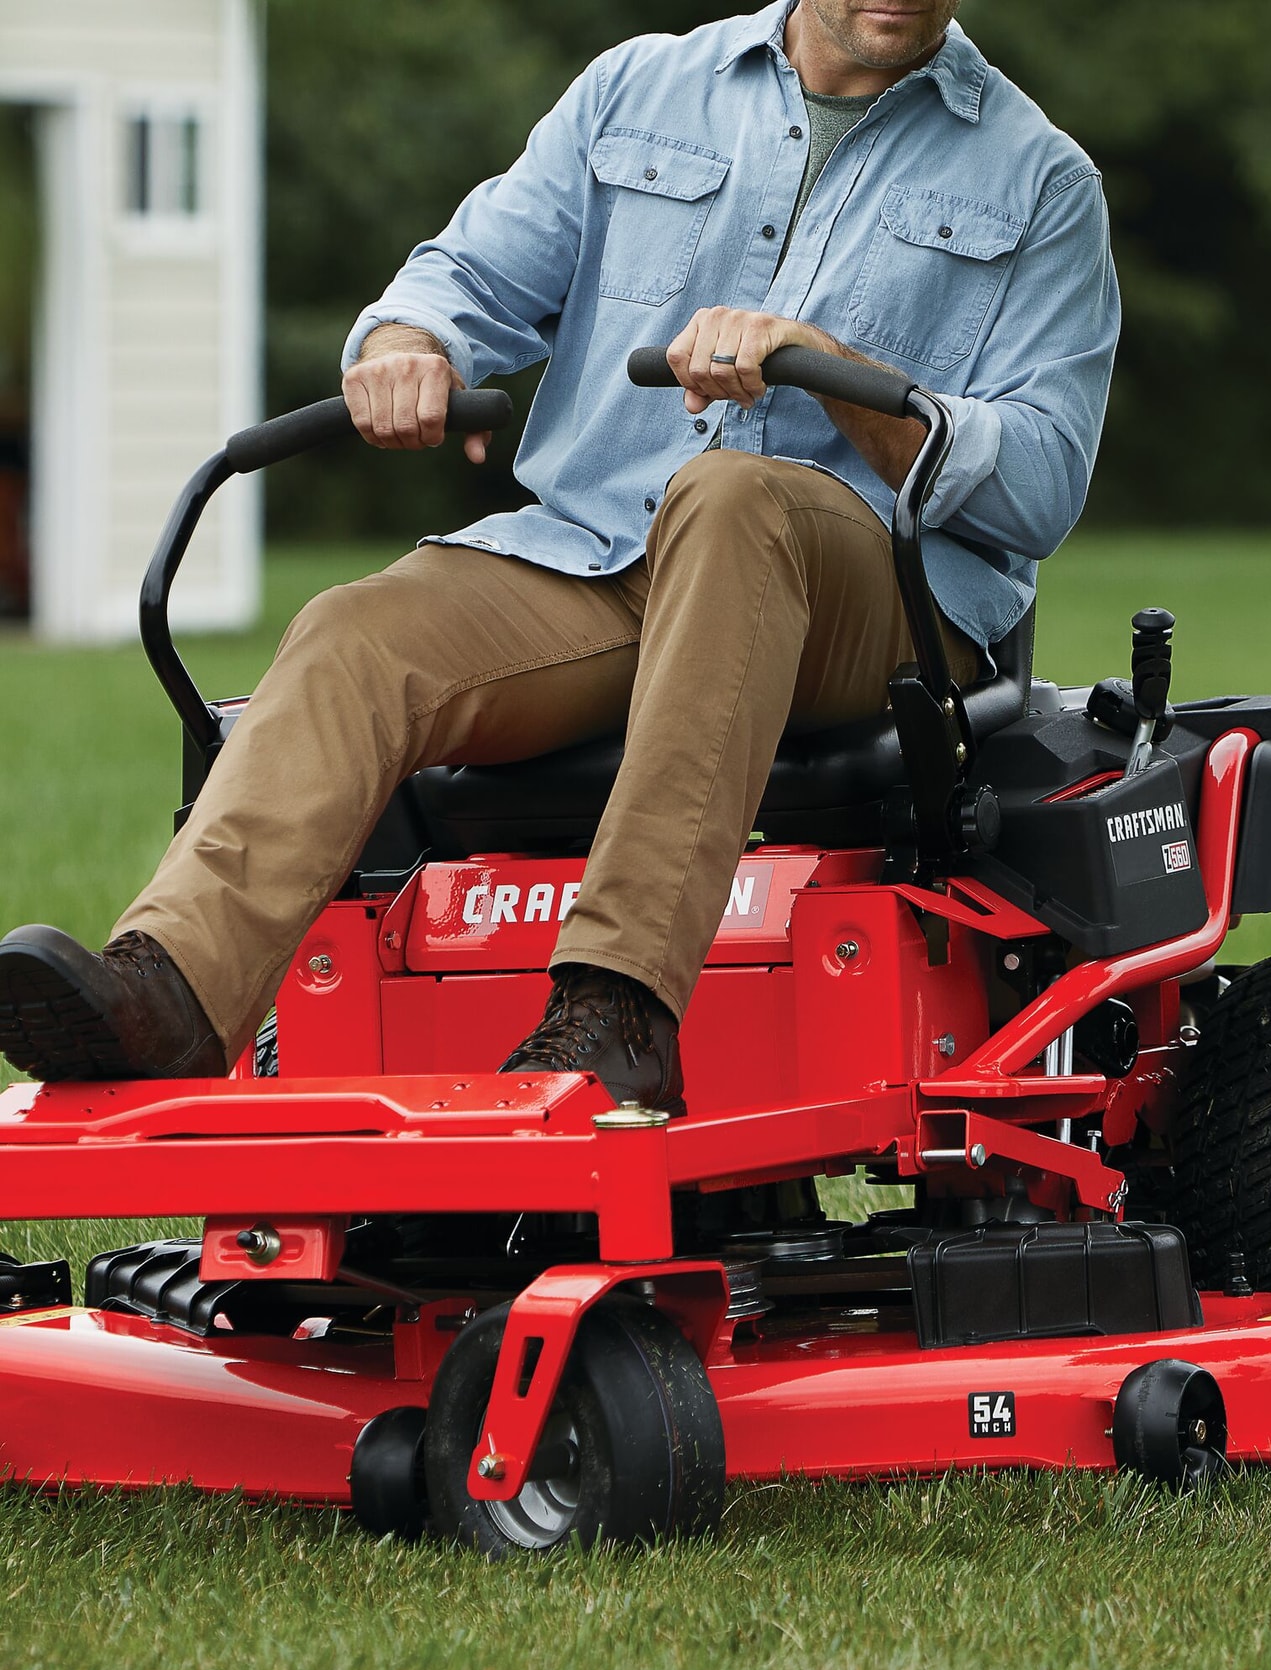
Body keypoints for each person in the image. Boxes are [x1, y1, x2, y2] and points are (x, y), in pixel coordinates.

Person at [0, 0, 1120, 1113]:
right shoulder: (635, 91)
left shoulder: (1038, 179)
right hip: (597, 558)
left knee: (732, 502)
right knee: (358, 634)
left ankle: (617, 1009)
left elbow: (1041, 485)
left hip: (875, 597)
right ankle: (170, 995)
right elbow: (467, 279)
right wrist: (407, 342)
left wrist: (827, 364)